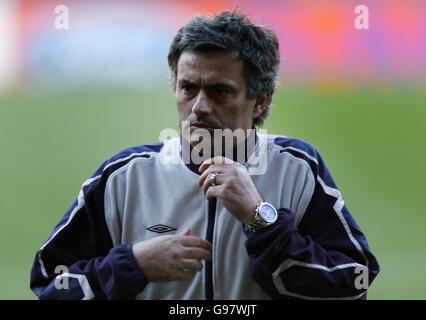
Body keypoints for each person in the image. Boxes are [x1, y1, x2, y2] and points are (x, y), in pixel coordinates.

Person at [30, 10, 379, 300]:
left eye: (220, 91)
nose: (199, 107)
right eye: (188, 88)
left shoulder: (298, 168)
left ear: (260, 100)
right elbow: (49, 283)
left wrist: (261, 219)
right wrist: (132, 265)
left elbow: (353, 284)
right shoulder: (123, 176)